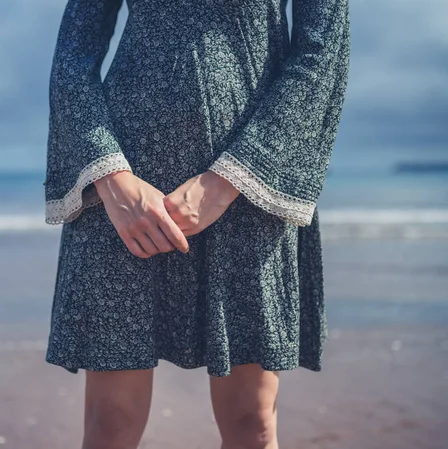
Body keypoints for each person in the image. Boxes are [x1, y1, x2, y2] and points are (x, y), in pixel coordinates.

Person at [42, 0, 350, 447]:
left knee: (253, 423)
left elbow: (322, 55)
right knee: (110, 424)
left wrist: (227, 182)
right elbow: (72, 56)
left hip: (252, 192)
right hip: (124, 202)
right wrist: (112, 179)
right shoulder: (118, 192)